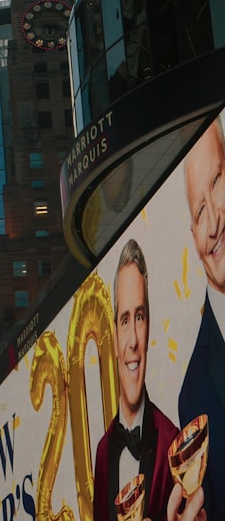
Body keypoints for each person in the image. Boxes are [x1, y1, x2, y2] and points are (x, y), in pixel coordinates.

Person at [94, 239, 179, 521]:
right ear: (115, 335)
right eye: (125, 319)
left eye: (140, 317)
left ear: (149, 326)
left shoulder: (172, 441)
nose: (132, 341)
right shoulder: (103, 452)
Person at [173, 117, 225, 521]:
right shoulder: (192, 395)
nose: (214, 224)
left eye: (218, 181)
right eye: (199, 210)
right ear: (192, 234)